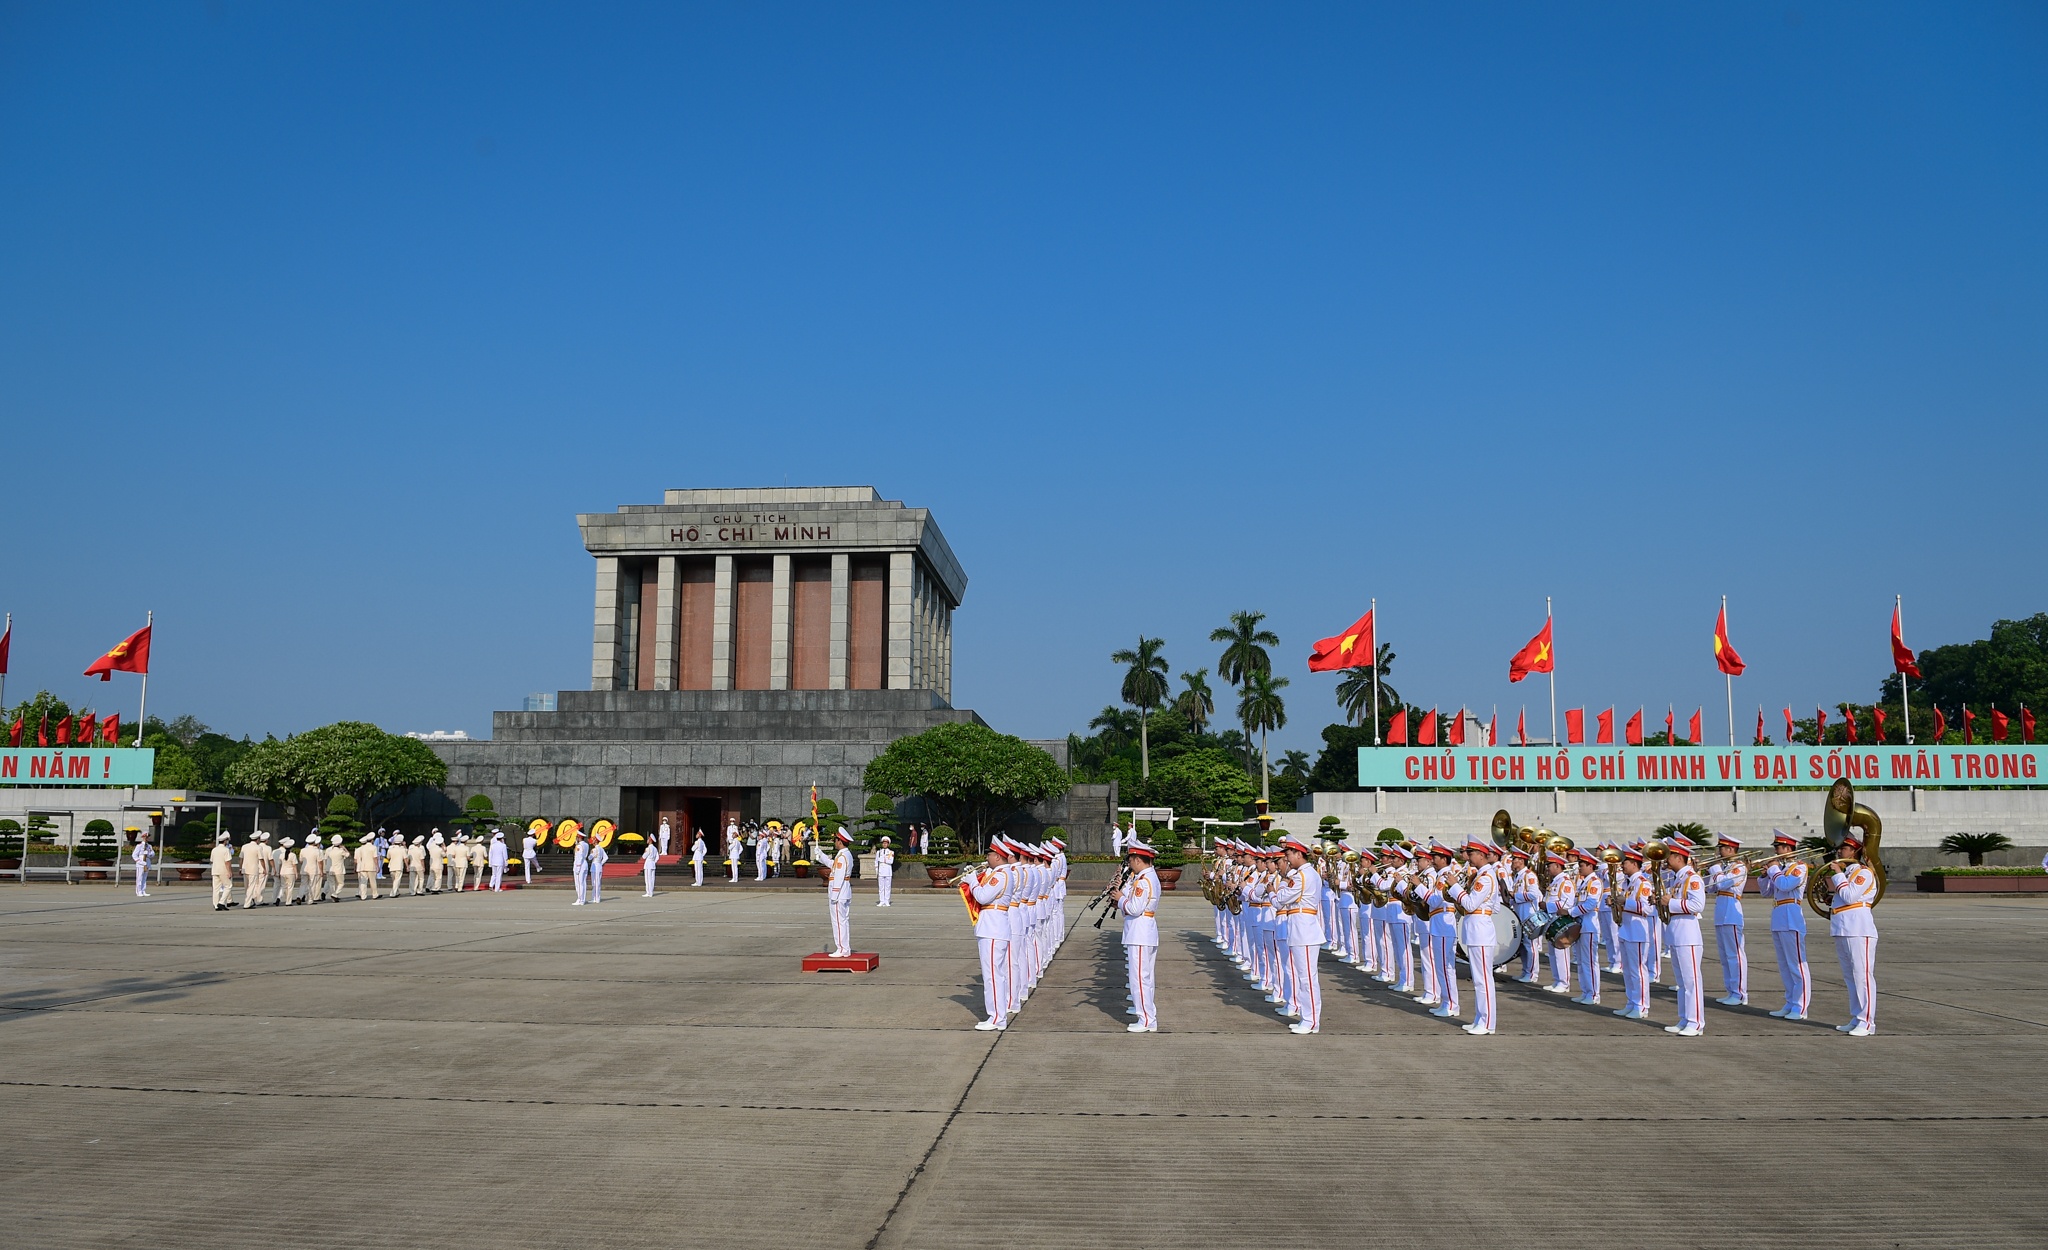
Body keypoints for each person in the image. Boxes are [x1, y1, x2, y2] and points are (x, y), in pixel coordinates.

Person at [1273, 835, 1328, 1034]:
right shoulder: (1306, 874)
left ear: (1298, 854)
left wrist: (1279, 887)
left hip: (1304, 930)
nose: (1287, 860)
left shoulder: (1301, 876)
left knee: (1307, 978)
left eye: (1288, 854)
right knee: (1304, 977)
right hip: (1302, 928)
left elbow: (1280, 900)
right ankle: (1308, 1018)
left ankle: (1311, 1021)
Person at [1827, 832, 1879, 1036]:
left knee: (1862, 976)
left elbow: (1849, 896)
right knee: (1850, 977)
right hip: (1843, 928)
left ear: (1854, 851)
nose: (1840, 851)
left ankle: (1867, 1022)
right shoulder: (1848, 874)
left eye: (1844, 848)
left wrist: (1837, 873)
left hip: (1859, 929)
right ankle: (1857, 1017)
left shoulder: (1864, 873)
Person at [1448, 840, 1501, 1035]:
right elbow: (1495, 906)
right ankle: (1480, 1018)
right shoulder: (1482, 875)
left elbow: (1470, 904)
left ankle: (1487, 1023)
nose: (1468, 857)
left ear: (1481, 854)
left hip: (1480, 931)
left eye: (1470, 854)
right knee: (1479, 979)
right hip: (1477, 929)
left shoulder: (1485, 878)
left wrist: (1455, 887)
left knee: (1483, 980)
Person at [1660, 837, 1708, 1037]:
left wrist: (1670, 903)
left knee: (1691, 982)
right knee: (1682, 982)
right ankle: (1685, 1019)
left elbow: (1698, 905)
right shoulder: (1679, 879)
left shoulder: (1692, 878)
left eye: (1669, 855)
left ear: (1679, 857)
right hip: (1677, 934)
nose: (1666, 859)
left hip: (1688, 935)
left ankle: (1696, 1023)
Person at [1761, 831, 1811, 1021]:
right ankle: (1790, 1002)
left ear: (1788, 848)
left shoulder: (1799, 867)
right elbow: (1766, 893)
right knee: (1784, 966)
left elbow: (1785, 885)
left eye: (1778, 848)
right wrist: (1765, 876)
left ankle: (1800, 1006)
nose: (1775, 851)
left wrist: (1773, 869)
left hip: (1792, 918)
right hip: (1779, 918)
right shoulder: (1780, 869)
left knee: (1797, 965)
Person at [968, 841, 1013, 1030]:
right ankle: (997, 1016)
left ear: (997, 857)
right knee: (995, 975)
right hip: (992, 927)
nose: (987, 858)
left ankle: (997, 1018)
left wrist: (972, 882)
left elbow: (982, 897)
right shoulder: (998, 874)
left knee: (992, 976)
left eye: (989, 855)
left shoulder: (1000, 876)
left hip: (993, 928)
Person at [1707, 835, 1749, 1006]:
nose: (1719, 852)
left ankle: (1740, 993)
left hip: (1732, 913)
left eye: (1722, 849)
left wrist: (1715, 868)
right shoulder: (1723, 867)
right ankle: (1731, 991)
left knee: (1735, 955)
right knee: (1725, 957)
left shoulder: (1739, 867)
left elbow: (1722, 884)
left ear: (1731, 849)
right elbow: (1711, 888)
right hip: (1721, 913)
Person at [1613, 846, 1653, 1021]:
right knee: (1628, 971)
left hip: (1637, 931)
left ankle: (1641, 1006)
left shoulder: (1643, 883)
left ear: (1635, 864)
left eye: (1626, 862)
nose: (1622, 865)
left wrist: (1625, 902)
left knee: (1638, 970)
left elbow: (1647, 909)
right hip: (1626, 929)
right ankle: (1631, 1003)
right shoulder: (1628, 883)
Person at [1570, 849, 1606, 1005]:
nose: (1580, 868)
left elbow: (1591, 904)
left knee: (1590, 961)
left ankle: (1593, 994)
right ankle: (1585, 991)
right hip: (1581, 925)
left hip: (1589, 925)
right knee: (1581, 961)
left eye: (1582, 865)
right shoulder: (1583, 882)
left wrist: (1571, 912)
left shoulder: (1595, 882)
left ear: (1591, 866)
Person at [823, 828, 854, 957]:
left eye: (835, 840)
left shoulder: (842, 856)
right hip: (844, 892)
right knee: (843, 921)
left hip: (839, 893)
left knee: (838, 922)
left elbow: (839, 876)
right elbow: (833, 865)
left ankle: (841, 948)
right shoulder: (845, 854)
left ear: (840, 841)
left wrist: (834, 895)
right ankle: (845, 948)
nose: (834, 842)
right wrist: (821, 855)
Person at [239, 832, 269, 909]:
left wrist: (240, 868)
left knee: (247, 887)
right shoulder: (258, 848)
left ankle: (249, 901)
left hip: (245, 869)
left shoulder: (244, 846)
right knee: (251, 887)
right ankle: (247, 904)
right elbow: (261, 859)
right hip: (253, 869)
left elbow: (241, 858)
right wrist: (264, 869)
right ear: (257, 839)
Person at [209, 832, 235, 910]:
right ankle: (221, 902)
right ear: (225, 841)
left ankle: (216, 905)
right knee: (228, 886)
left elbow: (212, 860)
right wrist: (230, 871)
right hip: (223, 870)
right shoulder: (226, 850)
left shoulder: (214, 850)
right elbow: (227, 862)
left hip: (215, 870)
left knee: (216, 888)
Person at [354, 832, 381, 901]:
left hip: (362, 866)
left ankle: (363, 896)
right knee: (373, 881)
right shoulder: (373, 847)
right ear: (372, 840)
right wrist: (377, 866)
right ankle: (375, 894)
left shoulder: (361, 848)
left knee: (363, 882)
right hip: (371, 866)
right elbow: (375, 858)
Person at [276, 837, 300, 905]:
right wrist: (296, 874)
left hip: (282, 872)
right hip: (290, 872)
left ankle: (279, 897)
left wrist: (279, 873)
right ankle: (288, 902)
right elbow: (294, 865)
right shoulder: (293, 855)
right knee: (290, 887)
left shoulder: (281, 855)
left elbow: (280, 865)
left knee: (283, 886)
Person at [129, 832, 154, 898]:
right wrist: (140, 861)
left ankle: (143, 890)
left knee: (144, 878)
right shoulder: (139, 846)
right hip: (140, 863)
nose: (147, 838)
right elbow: (134, 855)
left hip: (147, 862)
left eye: (148, 837)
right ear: (143, 837)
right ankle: (139, 891)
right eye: (146, 837)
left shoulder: (149, 846)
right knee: (139, 878)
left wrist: (148, 854)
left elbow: (152, 854)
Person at [326, 835, 349, 902]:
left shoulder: (329, 851)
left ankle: (333, 895)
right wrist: (344, 848)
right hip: (339, 869)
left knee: (332, 883)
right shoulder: (341, 851)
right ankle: (335, 895)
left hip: (331, 869)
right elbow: (348, 854)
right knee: (341, 883)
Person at [874, 835, 895, 906]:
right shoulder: (879, 852)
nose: (884, 844)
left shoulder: (891, 852)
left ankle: (887, 900)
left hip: (888, 871)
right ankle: (881, 900)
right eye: (883, 843)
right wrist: (877, 870)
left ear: (888, 844)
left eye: (886, 843)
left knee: (887, 887)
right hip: (881, 871)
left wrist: (883, 860)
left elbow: (891, 861)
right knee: (881, 887)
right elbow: (876, 861)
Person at [571, 832, 591, 906]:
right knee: (583, 883)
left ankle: (580, 899)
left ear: (579, 837)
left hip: (580, 864)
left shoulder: (579, 846)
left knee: (579, 883)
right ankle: (583, 899)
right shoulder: (586, 844)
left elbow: (579, 856)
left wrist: (578, 867)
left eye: (577, 837)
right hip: (584, 864)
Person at [428, 829, 447, 893]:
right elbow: (444, 855)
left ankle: (432, 887)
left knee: (433, 877)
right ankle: (436, 888)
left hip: (432, 865)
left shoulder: (431, 848)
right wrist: (443, 848)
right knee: (438, 877)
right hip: (438, 865)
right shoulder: (440, 850)